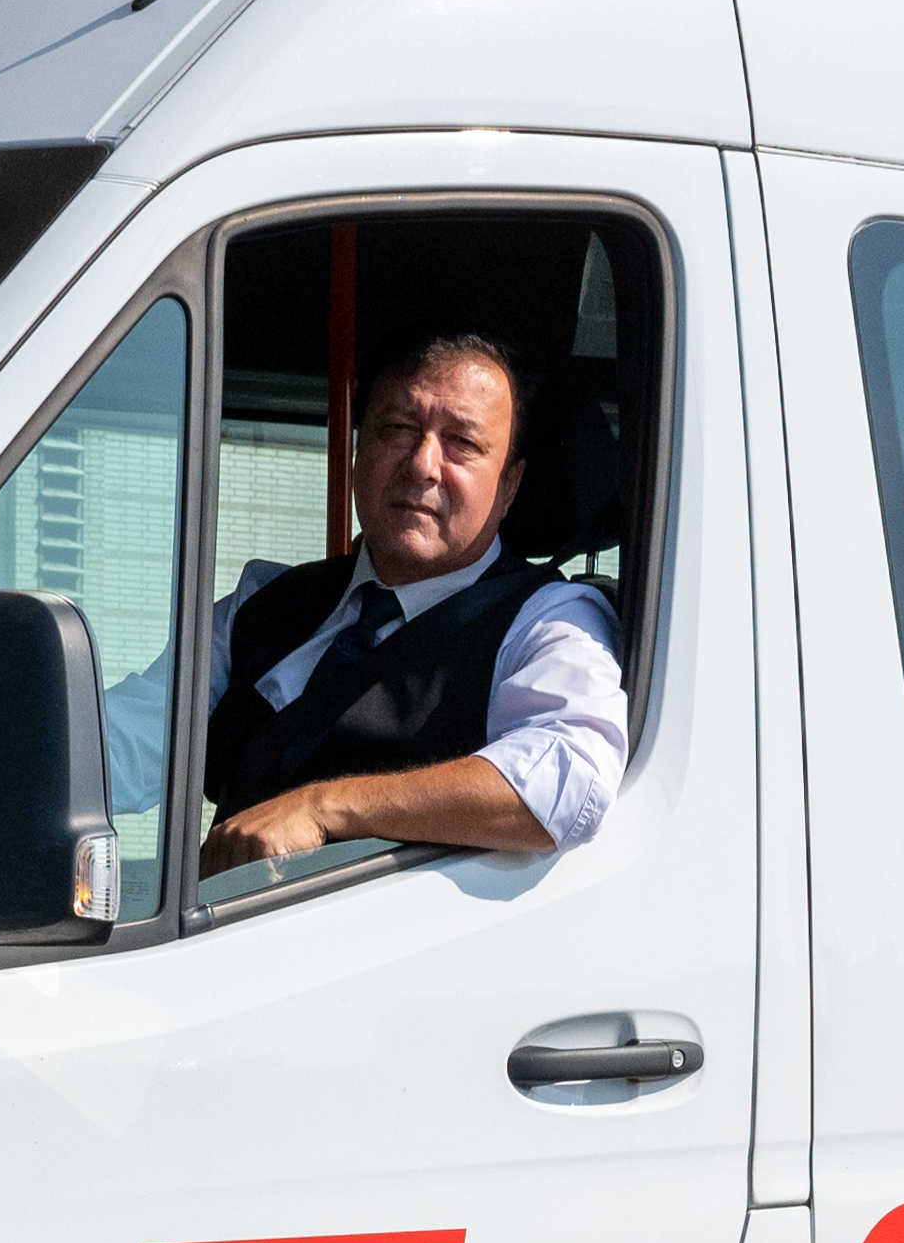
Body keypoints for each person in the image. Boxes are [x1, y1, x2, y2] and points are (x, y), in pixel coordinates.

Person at [198, 334, 627, 869]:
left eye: (462, 444)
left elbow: (565, 780)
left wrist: (324, 808)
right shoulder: (261, 602)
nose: (422, 465)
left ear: (510, 486)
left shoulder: (551, 620)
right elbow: (127, 739)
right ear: (357, 452)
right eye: (399, 430)